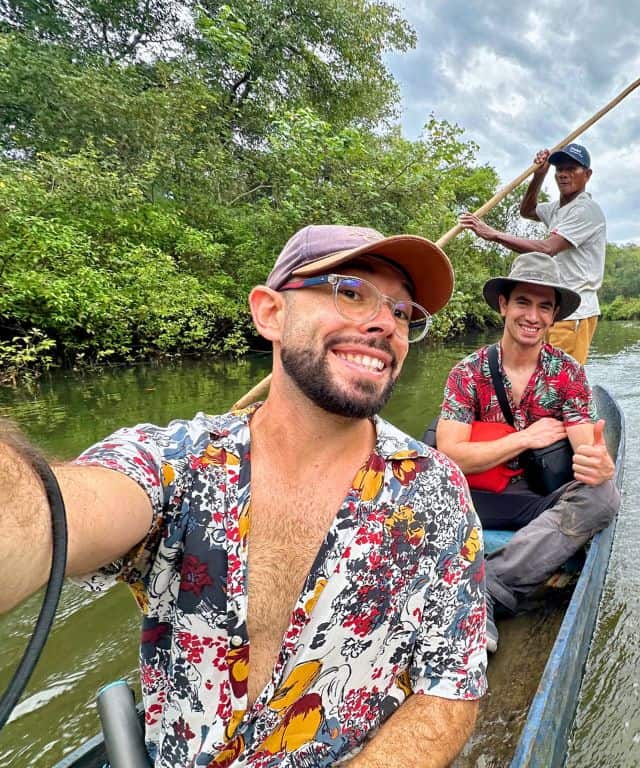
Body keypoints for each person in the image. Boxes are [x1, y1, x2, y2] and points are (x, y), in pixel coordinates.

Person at [0, 225, 487, 767]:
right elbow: (44, 516)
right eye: (351, 292)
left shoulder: (434, 491)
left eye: (401, 312)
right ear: (270, 313)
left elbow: (450, 688)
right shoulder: (177, 462)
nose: (386, 324)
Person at [434, 251, 620, 651]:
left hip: (537, 499)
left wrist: (597, 462)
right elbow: (450, 454)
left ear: (554, 317)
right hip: (475, 498)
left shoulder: (568, 373)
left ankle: (487, 587)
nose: (532, 316)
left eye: (544, 307)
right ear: (503, 305)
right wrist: (524, 438)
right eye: (523, 302)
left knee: (603, 497)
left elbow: (585, 444)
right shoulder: (468, 372)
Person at [457, 143, 607, 364]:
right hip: (549, 307)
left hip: (573, 311)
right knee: (537, 370)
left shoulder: (586, 210)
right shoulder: (557, 209)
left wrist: (493, 234)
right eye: (559, 169)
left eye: (571, 169)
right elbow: (527, 210)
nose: (563, 174)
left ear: (587, 174)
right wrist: (539, 174)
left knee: (559, 375)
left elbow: (548, 248)